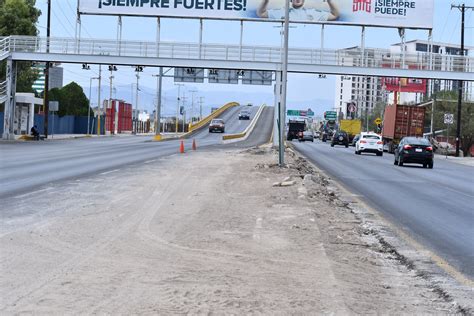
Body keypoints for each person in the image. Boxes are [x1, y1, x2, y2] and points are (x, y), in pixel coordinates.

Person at [257, 0, 339, 22]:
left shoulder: (313, 13)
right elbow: (261, 14)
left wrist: (329, 1)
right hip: (286, 48)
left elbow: (335, 15)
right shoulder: (282, 12)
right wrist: (266, 1)